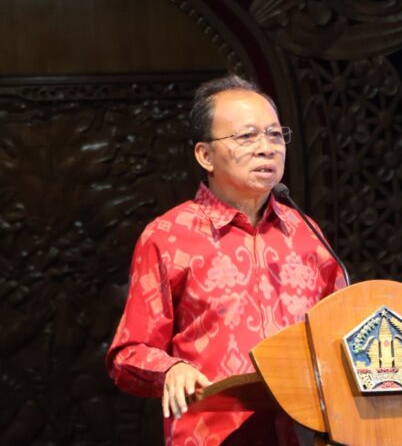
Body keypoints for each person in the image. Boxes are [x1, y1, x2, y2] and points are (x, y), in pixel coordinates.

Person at [105, 75, 345, 445]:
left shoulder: (305, 232)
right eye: (247, 136)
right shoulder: (168, 235)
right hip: (212, 436)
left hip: (303, 435)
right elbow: (128, 353)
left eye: (275, 135)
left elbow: (342, 334)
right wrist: (171, 369)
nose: (266, 148)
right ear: (205, 155)